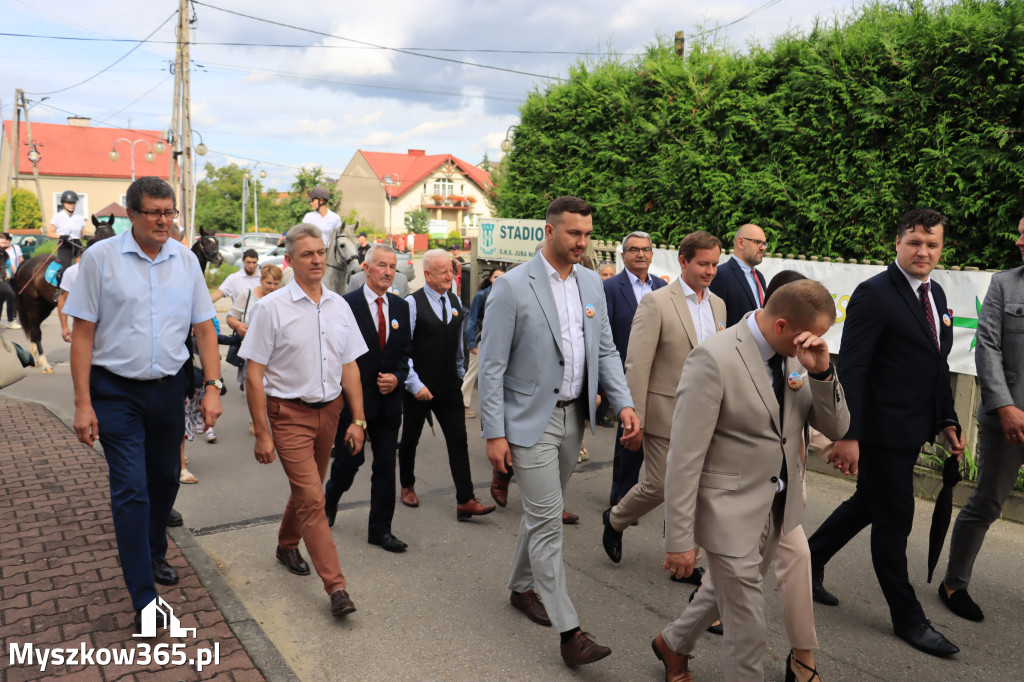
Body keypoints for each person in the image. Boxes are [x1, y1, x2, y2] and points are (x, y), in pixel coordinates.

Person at [653, 278, 848, 682]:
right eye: (810, 334)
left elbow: (836, 425)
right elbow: (685, 457)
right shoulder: (714, 358)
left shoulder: (801, 356)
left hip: (775, 509)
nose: (814, 342)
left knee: (719, 594)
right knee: (748, 626)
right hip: (725, 511)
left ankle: (672, 643)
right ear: (781, 326)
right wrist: (679, 539)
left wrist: (824, 372)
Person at [479, 196, 641, 667]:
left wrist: (624, 402)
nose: (583, 242)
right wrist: (495, 432)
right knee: (549, 520)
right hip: (528, 420)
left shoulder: (592, 281)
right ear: (549, 232)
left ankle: (520, 587)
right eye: (574, 234)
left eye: (588, 234)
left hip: (574, 418)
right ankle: (571, 632)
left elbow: (606, 351)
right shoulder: (511, 287)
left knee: (539, 513)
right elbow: (490, 367)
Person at [64, 176, 223, 629]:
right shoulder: (101, 260)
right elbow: (83, 335)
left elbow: (205, 329)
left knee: (165, 478)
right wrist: (82, 403)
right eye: (153, 212)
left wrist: (212, 386)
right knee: (131, 489)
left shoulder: (186, 261)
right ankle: (145, 599)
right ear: (131, 214)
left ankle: (154, 551)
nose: (163, 220)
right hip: (115, 392)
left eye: (169, 212)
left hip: (169, 389)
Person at [807, 208, 964, 658]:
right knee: (894, 521)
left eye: (932, 244)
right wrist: (848, 434)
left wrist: (947, 421)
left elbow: (937, 367)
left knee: (867, 504)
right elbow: (852, 368)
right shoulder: (873, 294)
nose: (923, 252)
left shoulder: (936, 295)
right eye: (915, 242)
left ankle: (809, 560)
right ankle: (909, 619)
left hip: (914, 428)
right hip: (878, 432)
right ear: (897, 243)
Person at [238, 222, 367, 618]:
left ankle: (286, 543)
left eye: (320, 253)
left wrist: (357, 420)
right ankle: (337, 587)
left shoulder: (339, 305)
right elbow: (254, 373)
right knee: (314, 498)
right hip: (288, 414)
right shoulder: (269, 308)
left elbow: (350, 368)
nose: (316, 260)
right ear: (289, 260)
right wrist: (263, 432)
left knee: (308, 487)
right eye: (307, 254)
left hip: (329, 412)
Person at [602, 231, 725, 572]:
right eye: (703, 263)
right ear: (684, 261)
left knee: (699, 488)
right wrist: (634, 417)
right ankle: (614, 520)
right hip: (664, 411)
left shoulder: (719, 306)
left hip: (706, 415)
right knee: (659, 485)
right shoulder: (656, 302)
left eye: (715, 264)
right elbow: (637, 364)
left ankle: (687, 561)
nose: (710, 271)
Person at [940, 215, 1024, 622]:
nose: (1020, 241)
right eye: (1020, 233)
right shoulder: (1004, 284)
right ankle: (954, 584)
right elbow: (987, 345)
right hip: (1007, 420)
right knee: (987, 502)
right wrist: (1004, 405)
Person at [324, 244, 413, 553]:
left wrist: (398, 378)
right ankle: (330, 499)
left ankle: (380, 530)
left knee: (386, 466)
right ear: (366, 267)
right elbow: (335, 354)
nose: (388, 272)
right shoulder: (345, 305)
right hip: (354, 404)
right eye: (382, 266)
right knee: (350, 461)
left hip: (389, 406)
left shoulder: (401, 308)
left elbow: (404, 355)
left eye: (393, 267)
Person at [397, 249, 495, 520]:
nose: (450, 276)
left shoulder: (453, 300)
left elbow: (457, 343)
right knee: (410, 440)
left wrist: (460, 373)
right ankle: (407, 484)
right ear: (427, 275)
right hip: (419, 388)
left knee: (458, 440)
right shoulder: (412, 304)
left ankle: (465, 499)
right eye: (444, 272)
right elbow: (403, 350)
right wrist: (414, 384)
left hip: (449, 384)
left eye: (451, 270)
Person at [603, 231, 667, 505]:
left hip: (658, 375)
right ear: (623, 255)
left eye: (646, 249)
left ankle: (646, 493)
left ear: (652, 255)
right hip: (623, 372)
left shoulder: (662, 289)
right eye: (634, 249)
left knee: (654, 435)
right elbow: (602, 335)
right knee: (629, 433)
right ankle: (621, 496)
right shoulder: (609, 288)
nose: (640, 254)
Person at [225, 264, 282, 419]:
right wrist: (239, 326)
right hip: (253, 350)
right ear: (261, 281)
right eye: (268, 283)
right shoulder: (248, 294)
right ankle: (255, 419)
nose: (272, 287)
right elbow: (230, 317)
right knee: (255, 384)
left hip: (277, 351)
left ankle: (274, 418)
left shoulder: (282, 298)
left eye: (276, 284)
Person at [462, 267, 506, 418]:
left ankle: (495, 408)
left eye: (502, 277)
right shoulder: (481, 295)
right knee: (473, 371)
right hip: (481, 339)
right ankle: (463, 403)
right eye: (495, 277)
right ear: (490, 279)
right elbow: (472, 320)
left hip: (500, 341)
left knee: (497, 374)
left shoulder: (508, 295)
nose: (498, 280)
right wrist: (471, 343)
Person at [708, 223, 768, 328]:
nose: (763, 248)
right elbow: (714, 320)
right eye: (758, 242)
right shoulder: (721, 275)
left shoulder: (759, 277)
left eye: (764, 243)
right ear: (741, 242)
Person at [49, 190, 86, 286]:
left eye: (74, 203)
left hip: (77, 244)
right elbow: (49, 233)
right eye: (69, 203)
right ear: (63, 203)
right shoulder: (58, 216)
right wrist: (60, 236)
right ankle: (60, 290)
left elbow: (82, 234)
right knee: (66, 267)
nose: (72, 205)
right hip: (65, 245)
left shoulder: (79, 218)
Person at [1, 232, 22, 328]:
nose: (4, 245)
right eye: (1, 243)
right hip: (2, 280)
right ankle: (11, 320)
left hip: (7, 279)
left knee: (1, 300)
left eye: (4, 243)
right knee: (11, 295)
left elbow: (11, 266)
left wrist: (19, 274)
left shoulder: (4, 254)